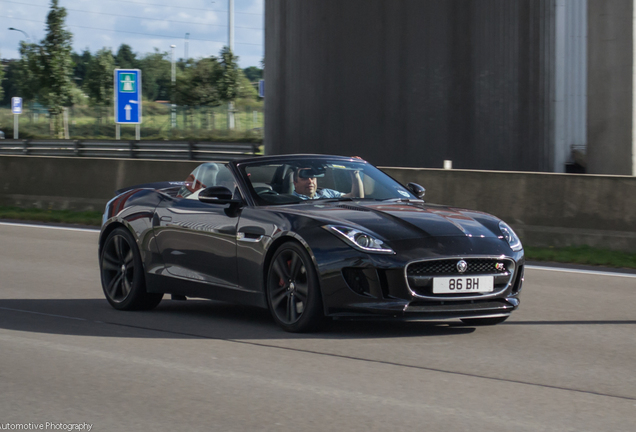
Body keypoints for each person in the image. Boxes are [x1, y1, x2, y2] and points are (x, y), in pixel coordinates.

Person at [292, 166, 364, 200]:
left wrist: (355, 174)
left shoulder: (327, 194)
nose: (310, 181)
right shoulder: (288, 201)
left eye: (312, 177)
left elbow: (356, 198)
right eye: (304, 178)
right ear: (295, 183)